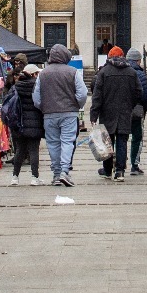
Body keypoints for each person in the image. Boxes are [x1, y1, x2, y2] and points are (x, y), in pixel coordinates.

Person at [33, 43, 87, 187]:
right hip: (69, 113)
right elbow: (82, 94)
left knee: (53, 143)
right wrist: (77, 105)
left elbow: (36, 98)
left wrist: (43, 107)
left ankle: (56, 174)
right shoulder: (73, 72)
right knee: (67, 142)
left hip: (49, 114)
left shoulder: (43, 73)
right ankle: (64, 171)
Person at [91, 46, 139, 182]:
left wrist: (94, 114)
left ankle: (107, 170)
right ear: (123, 56)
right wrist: (130, 104)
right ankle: (120, 171)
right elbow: (138, 92)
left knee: (107, 141)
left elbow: (97, 96)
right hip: (125, 111)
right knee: (122, 141)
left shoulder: (103, 72)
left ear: (109, 57)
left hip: (107, 112)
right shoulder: (131, 72)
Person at [2, 62, 45, 185]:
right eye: (36, 73)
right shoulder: (37, 86)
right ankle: (34, 178)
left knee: (20, 150)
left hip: (18, 123)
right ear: (33, 74)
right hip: (34, 122)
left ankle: (15, 177)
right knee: (33, 150)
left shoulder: (16, 86)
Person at [124, 49, 147, 175]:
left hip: (122, 110)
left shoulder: (122, 71)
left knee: (121, 137)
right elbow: (145, 94)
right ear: (138, 60)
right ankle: (134, 165)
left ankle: (119, 164)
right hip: (137, 109)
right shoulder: (140, 74)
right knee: (137, 137)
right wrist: (145, 108)